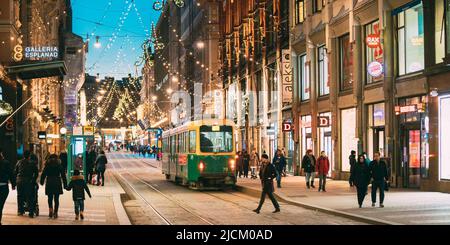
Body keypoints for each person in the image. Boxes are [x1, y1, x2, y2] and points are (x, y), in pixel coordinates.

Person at [40, 154, 67, 219]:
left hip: (49, 181)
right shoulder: (59, 165)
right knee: (56, 199)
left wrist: (42, 182)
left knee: (50, 198)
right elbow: (63, 175)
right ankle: (55, 212)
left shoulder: (47, 165)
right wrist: (65, 184)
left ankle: (50, 210)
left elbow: (43, 174)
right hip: (57, 181)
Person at [15, 150, 38, 217]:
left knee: (20, 196)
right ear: (29, 155)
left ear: (23, 155)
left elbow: (15, 172)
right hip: (28, 181)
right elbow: (36, 173)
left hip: (20, 181)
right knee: (29, 196)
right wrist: (33, 181)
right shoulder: (32, 163)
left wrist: (16, 180)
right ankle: (31, 212)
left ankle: (20, 210)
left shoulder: (19, 162)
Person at [0, 148, 16, 225]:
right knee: (0, 204)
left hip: (3, 186)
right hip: (3, 187)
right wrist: (13, 184)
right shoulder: (5, 163)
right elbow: (11, 174)